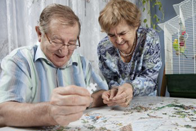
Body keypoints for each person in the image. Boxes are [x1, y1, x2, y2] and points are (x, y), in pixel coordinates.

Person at [0, 4, 108, 127]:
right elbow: (3, 113)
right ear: (39, 33)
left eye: (71, 43)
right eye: (57, 41)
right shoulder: (19, 60)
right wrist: (49, 112)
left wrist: (88, 101)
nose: (64, 51)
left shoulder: (81, 62)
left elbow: (101, 93)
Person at [97, 0, 162, 107]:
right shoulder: (103, 48)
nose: (118, 40)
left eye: (122, 33)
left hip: (147, 103)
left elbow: (151, 79)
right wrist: (113, 91)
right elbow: (110, 80)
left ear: (135, 26)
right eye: (111, 35)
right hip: (118, 105)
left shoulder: (149, 38)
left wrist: (130, 87)